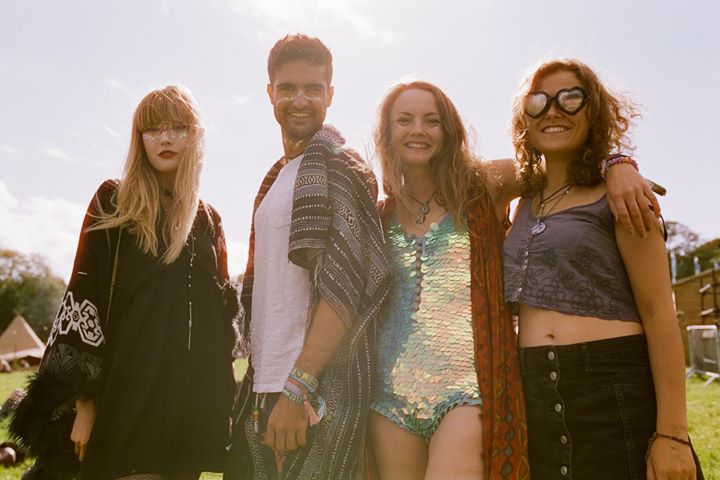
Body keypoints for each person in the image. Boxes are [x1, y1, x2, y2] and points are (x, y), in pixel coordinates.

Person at [10, 85, 240, 480]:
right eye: (153, 129)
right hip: (127, 395)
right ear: (140, 138)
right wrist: (85, 405)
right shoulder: (114, 201)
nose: (165, 138)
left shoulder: (208, 220)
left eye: (177, 127)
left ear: (194, 137)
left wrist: (224, 403)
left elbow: (220, 324)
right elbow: (84, 297)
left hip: (188, 404)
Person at [505, 59, 701, 479]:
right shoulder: (520, 197)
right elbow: (456, 173)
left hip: (614, 389)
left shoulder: (623, 197)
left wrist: (673, 434)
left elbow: (659, 312)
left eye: (570, 98)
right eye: (538, 101)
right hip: (535, 396)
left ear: (593, 111)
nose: (553, 110)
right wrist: (619, 161)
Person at [224, 34, 391, 479]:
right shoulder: (275, 179)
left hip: (314, 392)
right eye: (287, 89)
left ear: (330, 95)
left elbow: (345, 287)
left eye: (313, 89)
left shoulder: (340, 167)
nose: (300, 101)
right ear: (270, 94)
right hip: (265, 384)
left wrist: (298, 388)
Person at [371, 80, 528, 480]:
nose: (418, 130)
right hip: (388, 397)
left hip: (464, 391)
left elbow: (556, 165)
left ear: (449, 131)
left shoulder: (484, 186)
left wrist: (616, 167)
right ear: (387, 132)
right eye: (404, 120)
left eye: (432, 120)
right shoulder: (378, 214)